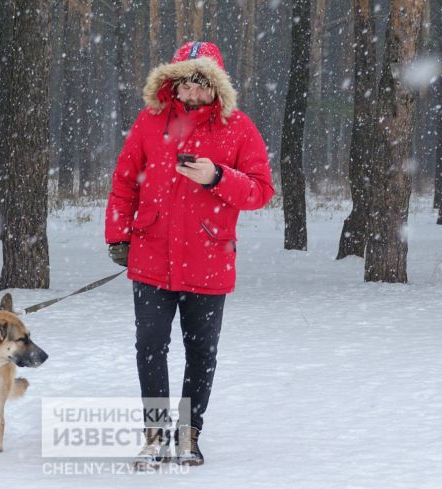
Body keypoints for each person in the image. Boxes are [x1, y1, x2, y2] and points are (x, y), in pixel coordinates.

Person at [105, 41, 274, 468]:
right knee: (150, 346)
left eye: (201, 82)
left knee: (201, 352)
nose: (192, 91)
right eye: (184, 81)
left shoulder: (239, 127)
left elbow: (260, 191)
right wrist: (118, 236)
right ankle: (157, 433)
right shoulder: (149, 122)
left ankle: (188, 434)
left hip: (209, 258)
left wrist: (217, 176)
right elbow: (124, 182)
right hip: (151, 256)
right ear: (171, 82)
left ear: (216, 86)